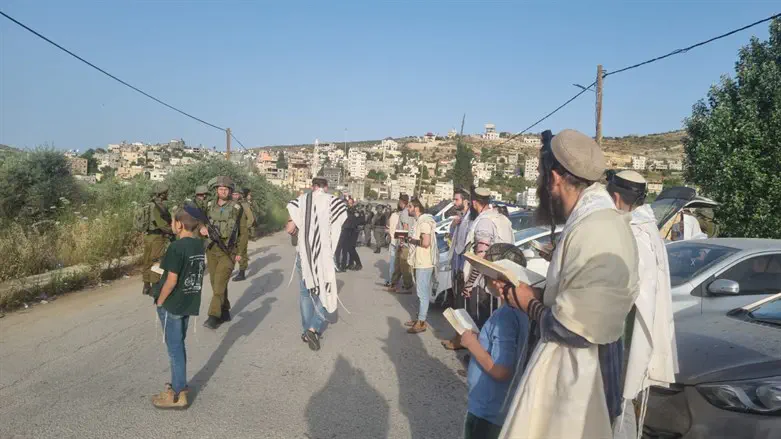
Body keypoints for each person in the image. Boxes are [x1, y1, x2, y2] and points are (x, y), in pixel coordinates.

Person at [497, 129, 639, 439]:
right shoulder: (594, 221)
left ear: (554, 179)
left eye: (542, 177)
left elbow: (574, 328)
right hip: (574, 383)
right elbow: (575, 297)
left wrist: (528, 303)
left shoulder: (597, 228)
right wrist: (526, 293)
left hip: (579, 393)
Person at [607, 171, 678, 438]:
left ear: (615, 197)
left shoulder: (634, 232)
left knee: (617, 404)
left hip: (625, 331)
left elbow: (625, 287)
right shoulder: (648, 228)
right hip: (631, 327)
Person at [461, 245, 531, 439]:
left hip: (487, 411)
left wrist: (471, 344)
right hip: (500, 406)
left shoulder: (505, 317)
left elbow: (501, 371)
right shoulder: (521, 311)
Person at [150, 205, 206, 410]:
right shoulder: (199, 246)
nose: (171, 225)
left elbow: (171, 280)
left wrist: (160, 301)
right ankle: (177, 386)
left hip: (172, 304)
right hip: (188, 301)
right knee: (178, 345)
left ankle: (178, 392)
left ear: (180, 224)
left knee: (174, 350)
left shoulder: (176, 247)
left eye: (173, 221)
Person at [286, 178, 348, 351]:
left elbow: (289, 229)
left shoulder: (300, 201)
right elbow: (341, 220)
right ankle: (313, 328)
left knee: (305, 293)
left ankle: (307, 330)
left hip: (303, 256)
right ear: (326, 187)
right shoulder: (334, 202)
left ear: (312, 187)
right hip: (323, 256)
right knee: (325, 291)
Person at [199, 176, 249, 329]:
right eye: (220, 189)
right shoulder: (209, 205)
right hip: (212, 249)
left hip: (229, 251)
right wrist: (202, 227)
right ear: (216, 190)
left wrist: (241, 252)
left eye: (226, 189)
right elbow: (199, 219)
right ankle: (225, 310)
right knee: (215, 282)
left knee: (219, 283)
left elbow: (243, 232)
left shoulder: (237, 208)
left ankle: (213, 316)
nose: (223, 191)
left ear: (230, 191)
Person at [462, 188, 514, 327]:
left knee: (480, 324)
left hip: (484, 285)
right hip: (501, 281)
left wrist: (469, 284)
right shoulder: (501, 218)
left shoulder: (485, 222)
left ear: (474, 203)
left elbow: (481, 257)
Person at [441, 187, 477, 350]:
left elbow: (468, 244)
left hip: (464, 268)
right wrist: (453, 225)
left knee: (463, 305)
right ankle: (459, 337)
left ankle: (462, 340)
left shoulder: (471, 220)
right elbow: (453, 238)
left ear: (466, 201)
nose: (454, 202)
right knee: (458, 303)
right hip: (456, 265)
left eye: (456, 200)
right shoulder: (461, 218)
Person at [405, 199, 439, 334]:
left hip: (424, 263)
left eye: (410, 207)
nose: (408, 209)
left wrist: (411, 240)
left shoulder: (424, 222)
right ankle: (419, 318)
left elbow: (426, 243)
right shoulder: (419, 221)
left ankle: (422, 322)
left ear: (416, 208)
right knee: (420, 292)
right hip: (419, 261)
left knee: (422, 293)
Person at [142, 183, 173, 296]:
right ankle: (155, 287)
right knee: (157, 261)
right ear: (162, 194)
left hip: (148, 236)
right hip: (157, 238)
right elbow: (162, 225)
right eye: (166, 193)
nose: (167, 194)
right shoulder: (159, 206)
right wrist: (173, 231)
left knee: (147, 261)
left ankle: (146, 286)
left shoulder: (149, 204)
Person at [388, 194, 415, 293]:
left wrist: (402, 243)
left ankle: (408, 286)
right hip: (404, 242)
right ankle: (394, 284)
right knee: (398, 265)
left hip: (404, 243)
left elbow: (405, 227)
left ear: (401, 202)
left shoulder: (404, 212)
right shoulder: (410, 212)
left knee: (404, 266)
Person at [231, 187, 256, 282]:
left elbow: (251, 219)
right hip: (232, 232)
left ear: (240, 195)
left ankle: (242, 273)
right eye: (233, 194)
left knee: (242, 251)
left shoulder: (244, 204)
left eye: (236, 194)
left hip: (242, 232)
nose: (235, 196)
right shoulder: (230, 204)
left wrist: (244, 227)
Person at [384, 204, 401, 287]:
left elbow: (387, 228)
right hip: (402, 243)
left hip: (394, 242)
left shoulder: (393, 215)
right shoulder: (408, 216)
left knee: (392, 262)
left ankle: (391, 281)